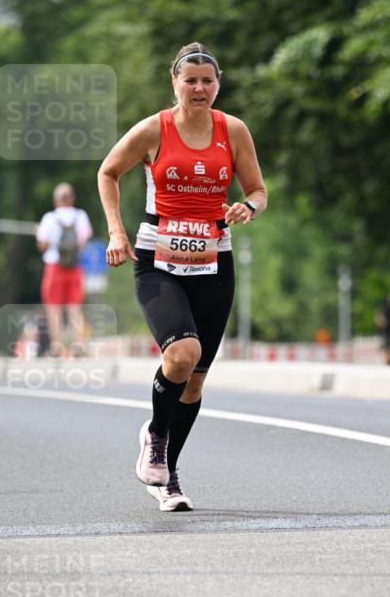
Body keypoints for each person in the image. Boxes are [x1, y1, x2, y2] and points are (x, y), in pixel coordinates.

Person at [97, 42, 267, 511]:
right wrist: (116, 231)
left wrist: (248, 206)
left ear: (218, 85)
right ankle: (154, 435)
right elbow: (108, 172)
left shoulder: (231, 130)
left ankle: (167, 476)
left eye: (207, 81)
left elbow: (257, 188)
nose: (199, 88)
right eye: (190, 80)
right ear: (174, 82)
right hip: (158, 261)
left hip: (214, 261)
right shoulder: (155, 128)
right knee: (182, 354)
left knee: (195, 382)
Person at [36, 183, 93, 356]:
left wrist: (38, 232)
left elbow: (43, 245)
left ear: (55, 200)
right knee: (74, 306)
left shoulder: (49, 218)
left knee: (54, 308)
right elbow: (84, 240)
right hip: (75, 266)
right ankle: (78, 345)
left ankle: (57, 346)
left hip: (54, 265)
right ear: (72, 198)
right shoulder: (81, 216)